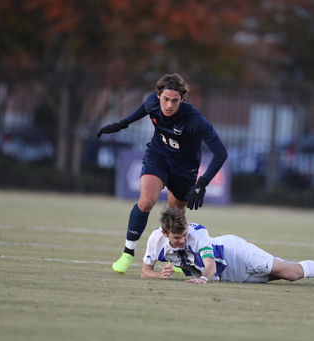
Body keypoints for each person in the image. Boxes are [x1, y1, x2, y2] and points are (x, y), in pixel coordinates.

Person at [97, 73, 228, 275]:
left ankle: (176, 257)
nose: (169, 105)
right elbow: (141, 111)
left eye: (175, 101)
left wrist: (202, 183)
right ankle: (127, 253)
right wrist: (121, 124)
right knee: (147, 201)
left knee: (176, 216)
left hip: (184, 169)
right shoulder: (153, 102)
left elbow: (221, 152)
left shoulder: (194, 120)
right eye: (165, 99)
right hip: (158, 157)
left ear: (181, 100)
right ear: (158, 95)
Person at [141, 206, 314, 288]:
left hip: (235, 254)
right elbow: (145, 270)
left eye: (184, 236)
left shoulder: (198, 232)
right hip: (228, 276)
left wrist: (204, 278)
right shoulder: (155, 240)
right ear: (164, 233)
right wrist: (159, 275)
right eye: (177, 238)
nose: (182, 240)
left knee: (291, 274)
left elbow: (209, 265)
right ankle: (276, 262)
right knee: (277, 275)